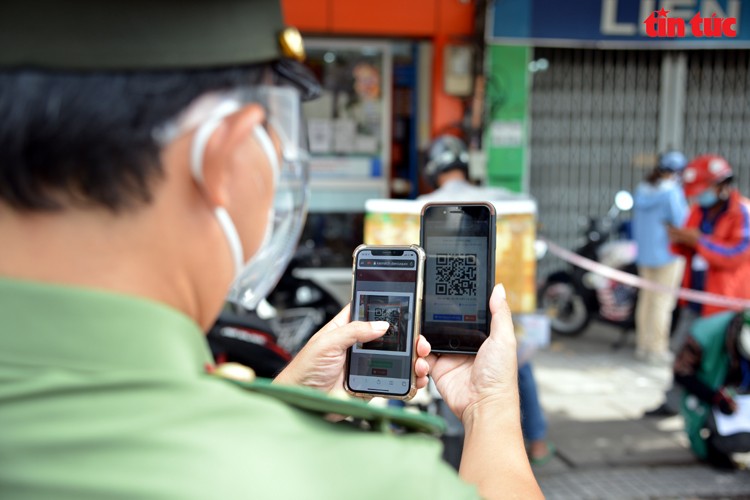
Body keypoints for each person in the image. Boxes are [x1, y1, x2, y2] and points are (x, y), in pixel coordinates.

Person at [0, 2, 542, 499]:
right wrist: (489, 408)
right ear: (225, 155)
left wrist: (289, 406)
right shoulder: (365, 482)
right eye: (273, 143)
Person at [419, 134, 554, 465]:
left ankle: (392, 424)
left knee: (417, 359)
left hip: (439, 311)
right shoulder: (501, 198)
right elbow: (530, 218)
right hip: (500, 307)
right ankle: (536, 440)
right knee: (518, 365)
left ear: (433, 170)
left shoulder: (424, 205)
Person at [645, 154, 750, 417]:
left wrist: (699, 241)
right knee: (683, 356)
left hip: (725, 304)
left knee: (718, 361)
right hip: (695, 300)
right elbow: (684, 247)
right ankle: (673, 404)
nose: (699, 197)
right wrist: (681, 239)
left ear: (722, 185)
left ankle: (718, 410)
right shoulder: (697, 211)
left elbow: (737, 253)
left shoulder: (743, 212)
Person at [631, 151, 689, 364]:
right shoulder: (672, 192)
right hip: (668, 255)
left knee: (646, 301)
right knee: (662, 303)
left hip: (645, 254)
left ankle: (642, 346)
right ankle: (656, 350)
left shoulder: (642, 189)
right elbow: (682, 222)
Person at [673, 311, 750, 469]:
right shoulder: (705, 334)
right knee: (741, 440)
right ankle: (714, 446)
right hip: (710, 396)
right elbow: (681, 372)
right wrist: (715, 398)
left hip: (742, 398)